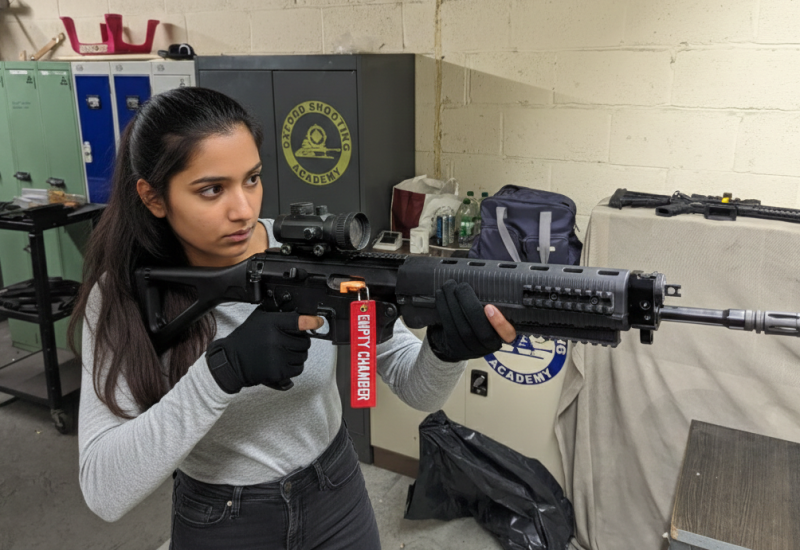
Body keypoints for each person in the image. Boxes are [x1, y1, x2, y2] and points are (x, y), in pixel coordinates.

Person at [69, 87, 516, 550]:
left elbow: (415, 387)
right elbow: (105, 490)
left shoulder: (308, 257)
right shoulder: (123, 293)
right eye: (211, 189)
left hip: (337, 496)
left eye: (252, 179)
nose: (244, 211)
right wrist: (222, 373)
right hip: (224, 522)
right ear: (154, 197)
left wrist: (445, 350)